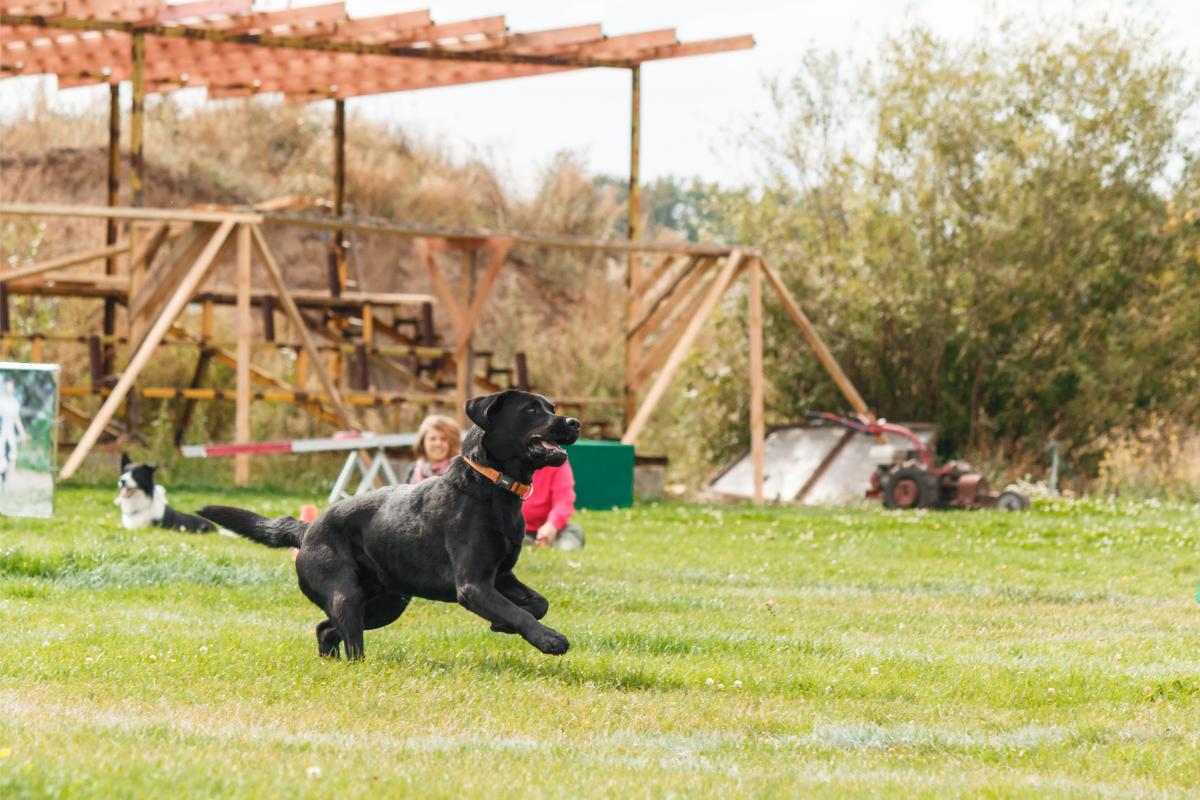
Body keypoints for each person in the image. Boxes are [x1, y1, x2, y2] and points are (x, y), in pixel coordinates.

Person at [523, 460, 585, 551]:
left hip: (551, 530)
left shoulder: (558, 461)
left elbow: (564, 500)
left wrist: (552, 525)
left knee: (574, 531)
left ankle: (560, 548)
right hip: (517, 529)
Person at [405, 414, 461, 483]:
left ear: (452, 443)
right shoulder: (412, 470)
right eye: (432, 439)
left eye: (443, 439)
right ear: (422, 442)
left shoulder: (459, 472)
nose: (438, 444)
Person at [0, 379, 27, 488]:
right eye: (7, 386)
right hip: (2, 432)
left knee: (13, 455)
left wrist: (22, 432)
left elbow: (16, 419)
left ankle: (9, 480)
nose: (9, 388)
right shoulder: (1, 401)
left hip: (10, 432)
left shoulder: (15, 402)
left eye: (10, 386)